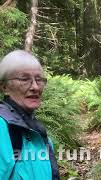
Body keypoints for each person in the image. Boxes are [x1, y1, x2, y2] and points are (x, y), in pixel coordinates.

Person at [0, 50, 60, 180]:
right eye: (24, 79)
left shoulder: (38, 133)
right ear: (4, 86)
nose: (35, 87)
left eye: (39, 80)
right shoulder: (3, 128)